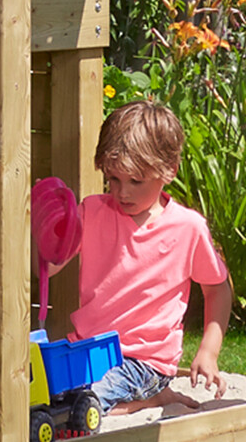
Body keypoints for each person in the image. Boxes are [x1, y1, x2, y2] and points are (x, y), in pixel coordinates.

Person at [69, 100, 232, 411]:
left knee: (83, 406)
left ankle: (151, 399)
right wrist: (49, 227)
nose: (122, 192)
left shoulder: (187, 227)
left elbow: (217, 288)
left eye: (135, 181)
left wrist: (208, 352)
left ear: (169, 171)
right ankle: (143, 400)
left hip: (145, 360)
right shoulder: (91, 211)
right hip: (87, 351)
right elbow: (48, 267)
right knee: (46, 397)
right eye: (113, 179)